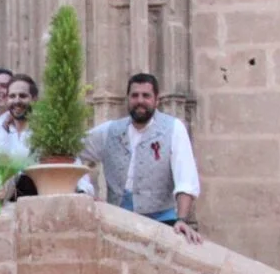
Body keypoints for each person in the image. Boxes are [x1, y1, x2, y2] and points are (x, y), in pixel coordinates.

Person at [82, 72, 202, 240]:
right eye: (135, 95)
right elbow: (71, 151)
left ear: (156, 100)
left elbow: (186, 177)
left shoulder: (173, 128)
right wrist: (83, 190)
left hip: (161, 222)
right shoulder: (110, 131)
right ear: (127, 99)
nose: (140, 101)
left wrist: (181, 219)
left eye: (146, 96)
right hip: (116, 220)